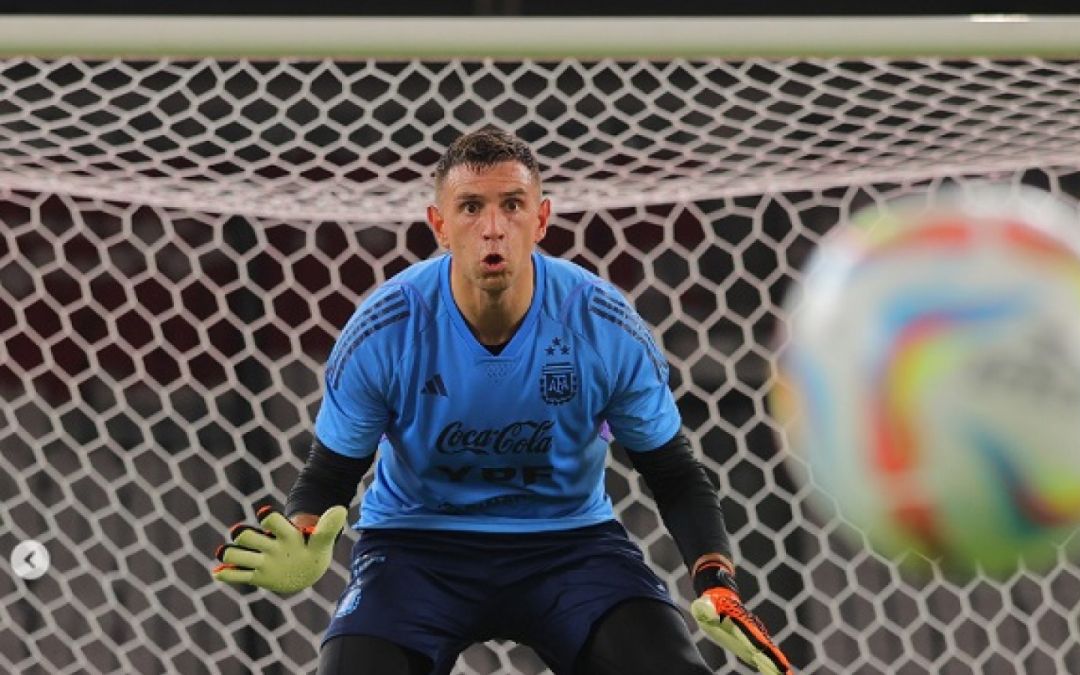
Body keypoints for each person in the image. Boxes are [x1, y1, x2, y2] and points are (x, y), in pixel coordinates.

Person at [212, 126, 791, 675]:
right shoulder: (385, 328)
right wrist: (306, 536)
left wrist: (716, 580)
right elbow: (330, 474)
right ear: (439, 225)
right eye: (471, 207)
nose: (493, 227)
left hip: (570, 546)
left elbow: (673, 471)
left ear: (541, 219)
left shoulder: (603, 324)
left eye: (512, 205)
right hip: (416, 548)